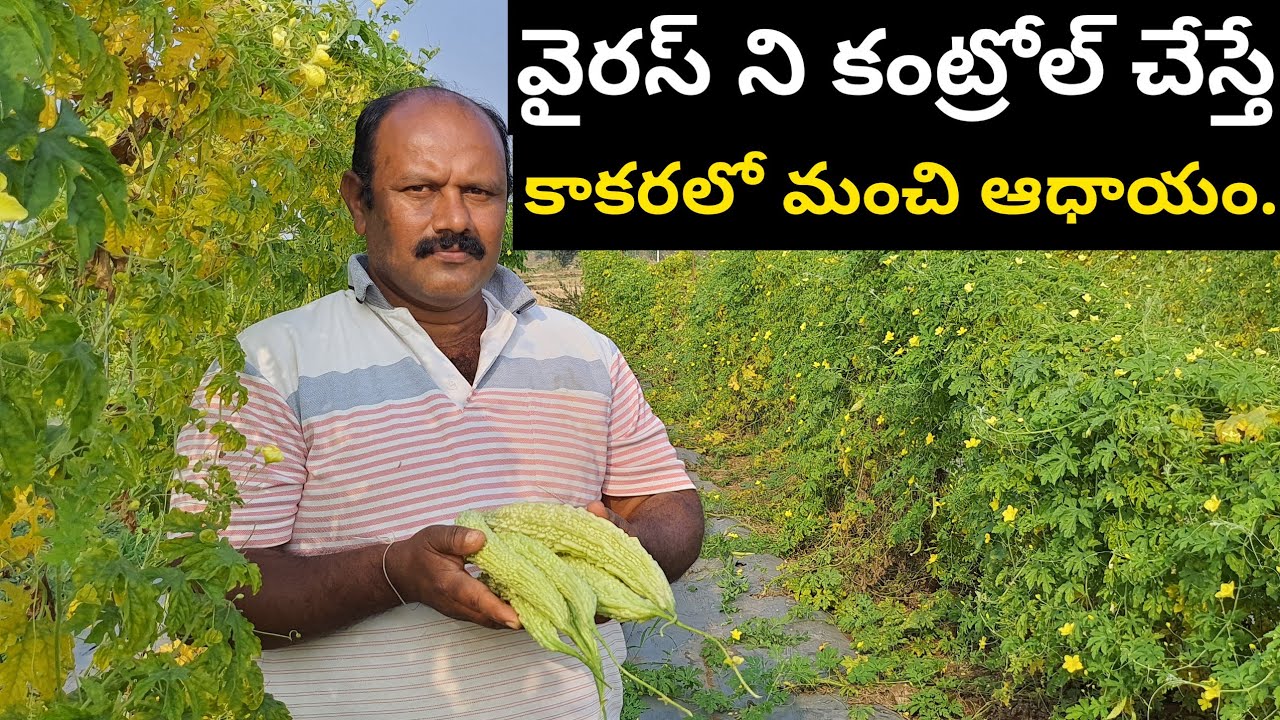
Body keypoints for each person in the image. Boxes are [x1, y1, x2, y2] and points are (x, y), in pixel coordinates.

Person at [170, 86, 705, 720]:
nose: (454, 220)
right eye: (419, 190)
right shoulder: (266, 365)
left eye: (480, 192)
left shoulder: (583, 352)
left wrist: (621, 545)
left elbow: (670, 504)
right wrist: (394, 575)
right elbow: (205, 587)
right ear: (358, 201)